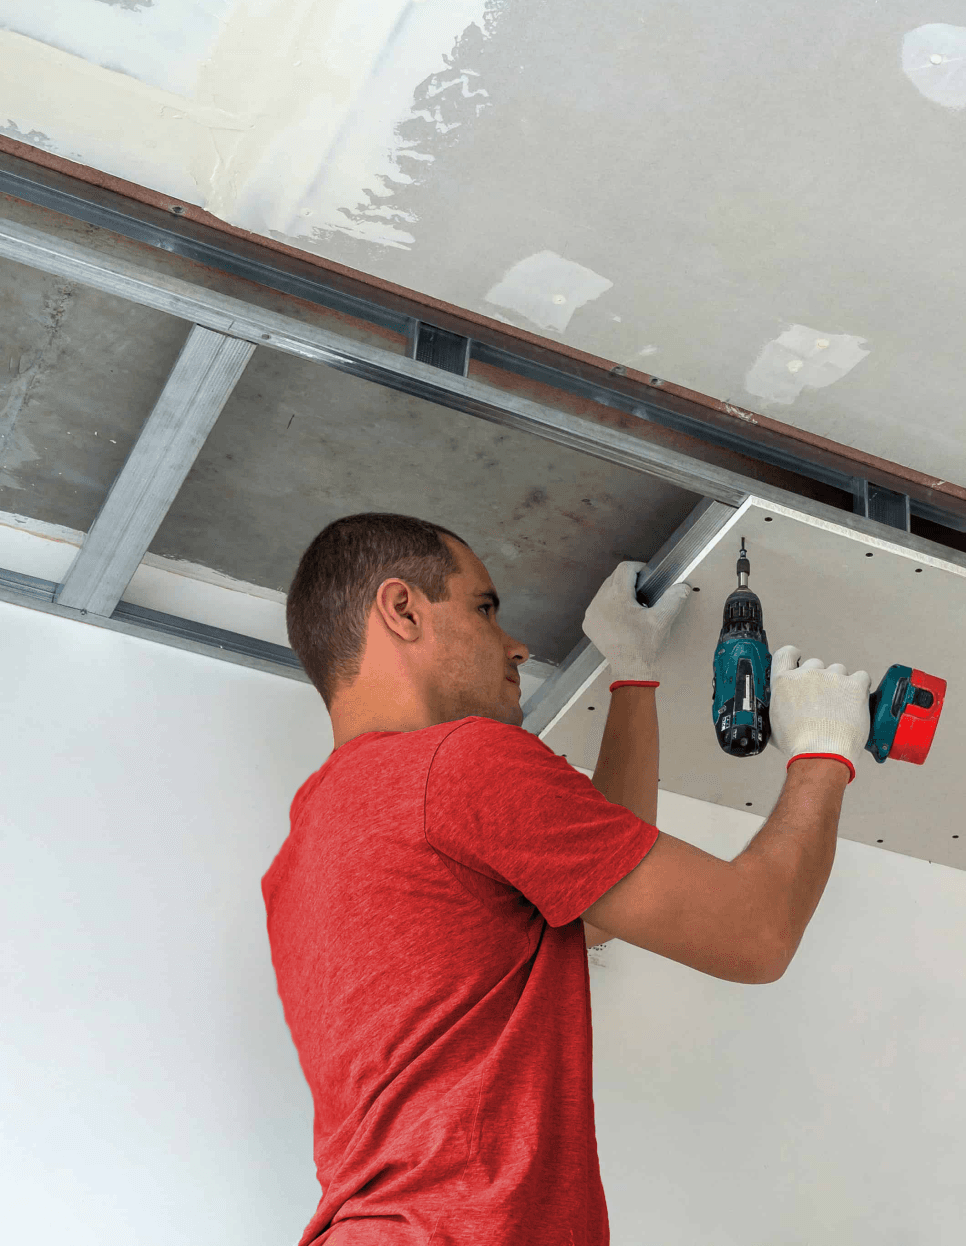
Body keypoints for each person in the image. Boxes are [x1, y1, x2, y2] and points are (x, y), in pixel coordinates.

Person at [261, 512, 870, 1245]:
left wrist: (634, 679)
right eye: (484, 609)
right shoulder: (461, 762)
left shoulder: (308, 846)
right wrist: (825, 753)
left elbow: (595, 904)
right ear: (402, 609)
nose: (515, 644)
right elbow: (755, 931)